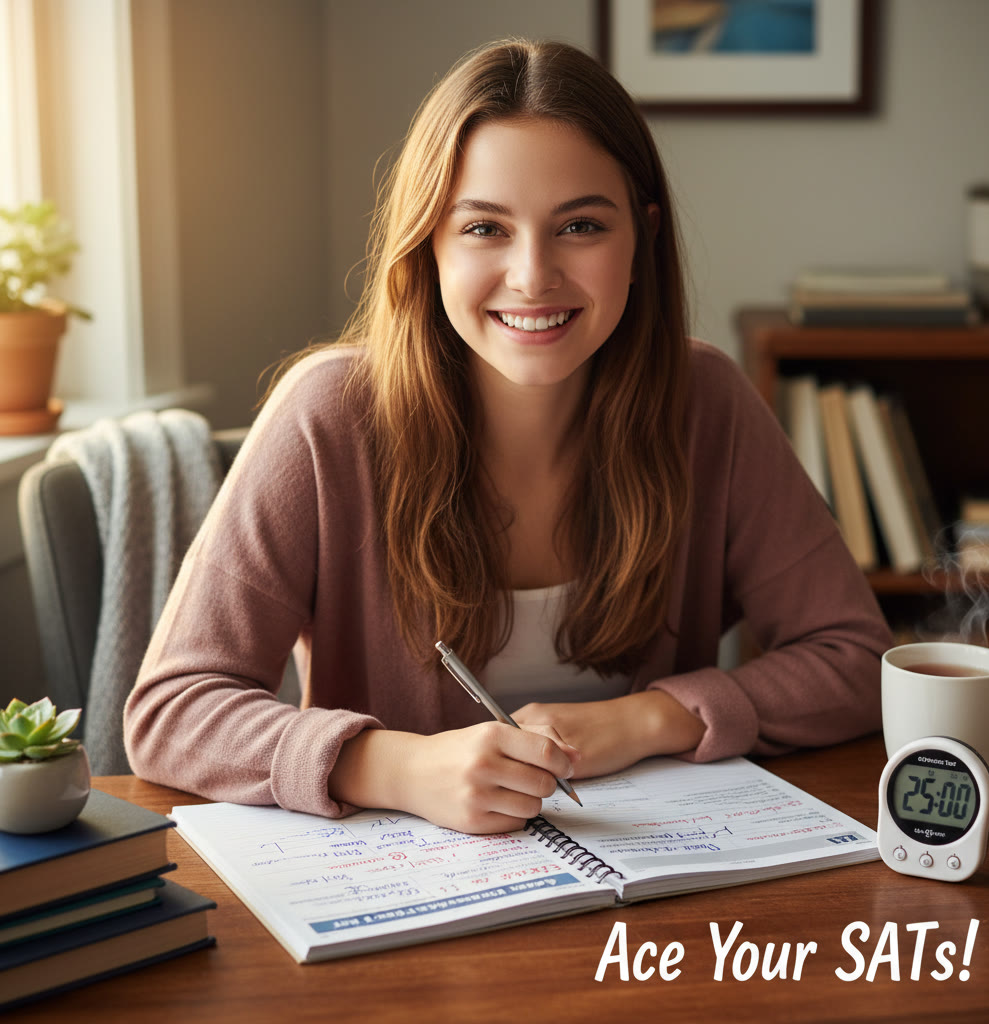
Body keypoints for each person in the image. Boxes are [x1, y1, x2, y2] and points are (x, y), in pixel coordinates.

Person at [124, 39, 890, 834]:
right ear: (429, 246)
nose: (533, 275)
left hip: (649, 903)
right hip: (401, 912)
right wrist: (396, 765)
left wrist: (652, 718)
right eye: (485, 228)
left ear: (643, 241)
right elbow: (171, 714)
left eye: (581, 226)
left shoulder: (707, 403)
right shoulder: (326, 415)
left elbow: (858, 659)